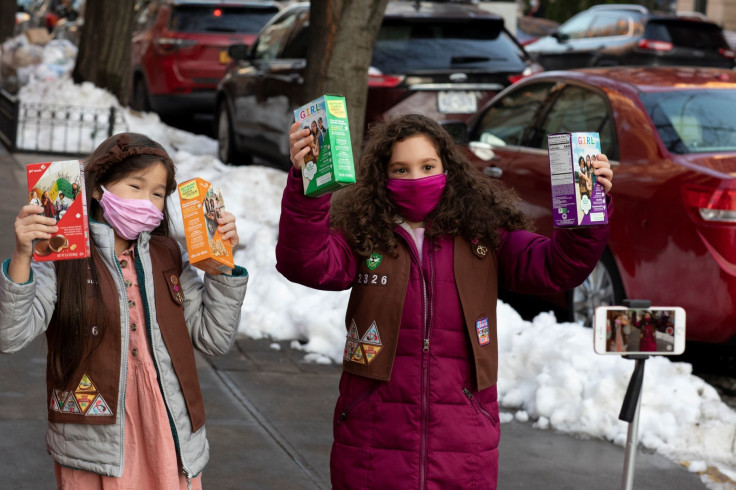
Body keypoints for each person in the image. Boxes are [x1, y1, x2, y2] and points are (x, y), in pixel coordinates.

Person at [276, 114, 613, 488]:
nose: (416, 178)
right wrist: (307, 188)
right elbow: (305, 263)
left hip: (463, 445)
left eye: (427, 166)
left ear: (447, 169)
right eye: (401, 169)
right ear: (383, 178)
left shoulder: (483, 236)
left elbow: (558, 268)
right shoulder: (364, 233)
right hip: (372, 442)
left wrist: (589, 202)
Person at [0, 133, 249, 489]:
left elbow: (213, 338)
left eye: (158, 193)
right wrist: (23, 255)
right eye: (135, 185)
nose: (147, 201)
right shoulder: (60, 255)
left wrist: (223, 266)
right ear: (99, 189)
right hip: (93, 437)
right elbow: (10, 336)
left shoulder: (169, 255)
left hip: (168, 428)